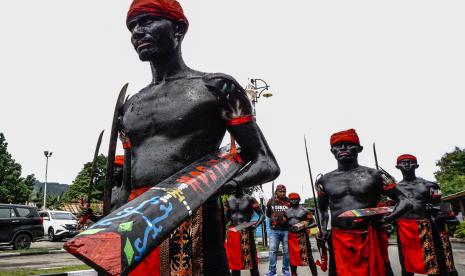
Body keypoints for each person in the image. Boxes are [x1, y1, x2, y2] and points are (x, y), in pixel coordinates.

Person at [113, 0, 280, 275]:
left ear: (178, 29)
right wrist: (111, 224)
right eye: (132, 26)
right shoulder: (130, 106)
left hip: (194, 217)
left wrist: (215, 187)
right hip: (138, 225)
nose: (137, 32)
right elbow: (126, 183)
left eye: (147, 21)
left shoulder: (215, 87)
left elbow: (266, 163)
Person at [316, 129, 412, 276]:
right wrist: (322, 229)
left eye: (349, 144)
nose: (343, 148)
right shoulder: (324, 180)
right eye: (338, 145)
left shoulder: (376, 175)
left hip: (370, 236)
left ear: (359, 149)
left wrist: (387, 219)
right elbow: (321, 209)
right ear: (332, 151)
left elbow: (405, 202)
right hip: (339, 239)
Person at [395, 154, 458, 276]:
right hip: (405, 228)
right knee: (406, 264)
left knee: (435, 263)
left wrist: (434, 208)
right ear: (398, 166)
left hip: (428, 227)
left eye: (410, 162)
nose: (406, 164)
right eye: (403, 162)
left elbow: (442, 205)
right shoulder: (395, 189)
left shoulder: (431, 185)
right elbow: (394, 208)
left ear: (416, 165)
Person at [224, 185, 264, 276]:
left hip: (246, 231)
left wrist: (255, 225)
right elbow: (226, 218)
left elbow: (262, 215)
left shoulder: (250, 199)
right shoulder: (229, 200)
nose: (237, 186)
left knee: (252, 262)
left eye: (240, 184)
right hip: (233, 231)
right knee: (234, 263)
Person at [284, 192, 318, 276]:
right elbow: (283, 224)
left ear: (299, 200)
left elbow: (314, 223)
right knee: (292, 258)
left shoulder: (305, 211)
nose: (293, 201)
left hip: (303, 237)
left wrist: (304, 226)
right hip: (291, 237)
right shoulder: (286, 212)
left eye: (295, 199)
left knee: (309, 257)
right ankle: (294, 274)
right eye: (291, 199)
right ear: (289, 200)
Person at [265, 184, 291, 276]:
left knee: (287, 251)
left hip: (287, 230)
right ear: (276, 192)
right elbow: (268, 214)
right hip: (274, 231)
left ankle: (286, 270)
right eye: (281, 191)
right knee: (272, 250)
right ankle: (272, 271)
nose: (283, 193)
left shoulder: (289, 201)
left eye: (284, 191)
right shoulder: (271, 201)